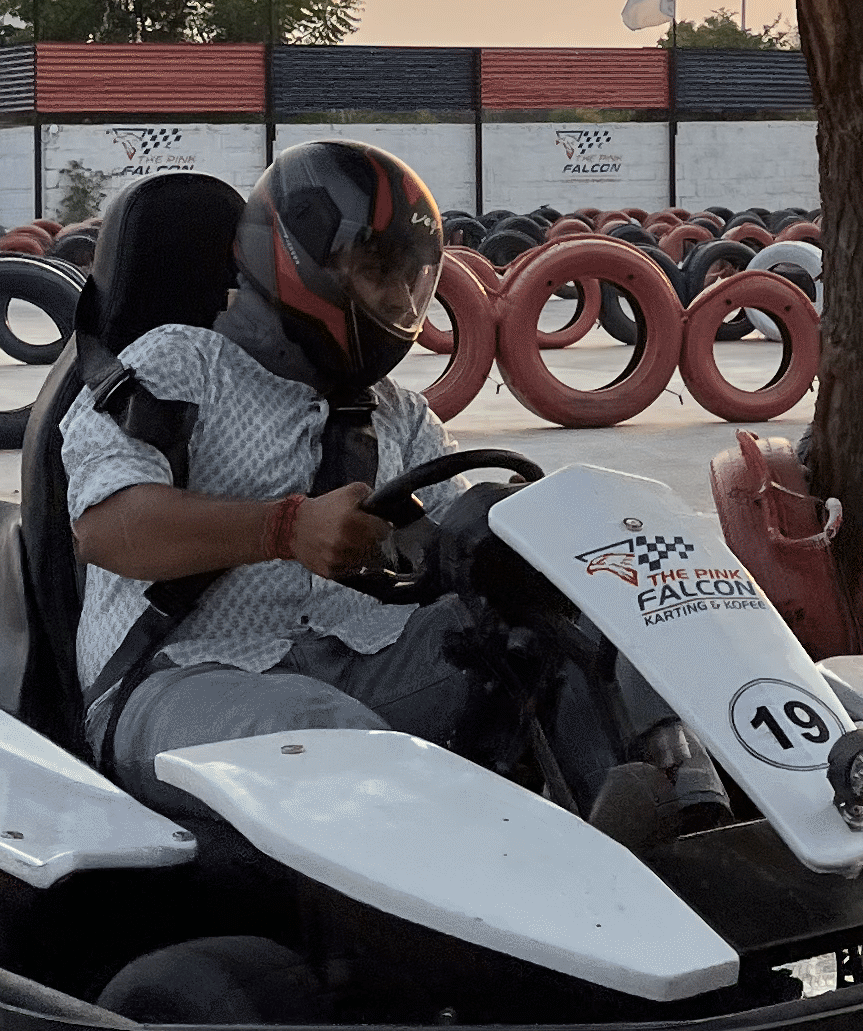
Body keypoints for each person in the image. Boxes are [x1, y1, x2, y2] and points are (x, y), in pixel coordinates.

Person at [63, 146, 690, 830]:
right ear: (298, 258)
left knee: (578, 622)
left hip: (368, 665)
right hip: (179, 677)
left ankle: (680, 828)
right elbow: (106, 528)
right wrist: (284, 529)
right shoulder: (177, 366)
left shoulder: (398, 414)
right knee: (332, 739)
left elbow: (454, 540)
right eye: (374, 272)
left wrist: (521, 545)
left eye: (407, 279)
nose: (396, 299)